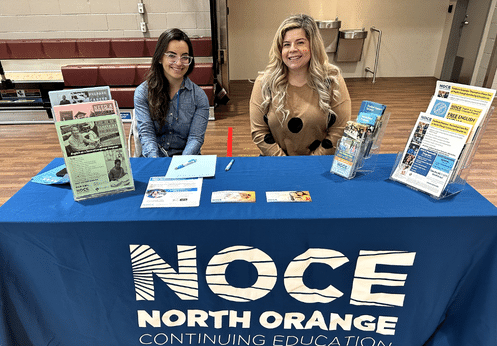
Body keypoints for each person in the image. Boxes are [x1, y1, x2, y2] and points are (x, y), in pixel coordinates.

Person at [250, 14, 352, 156]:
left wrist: (309, 164)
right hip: (277, 164)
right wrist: (286, 164)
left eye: (300, 42)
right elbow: (259, 133)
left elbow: (339, 130)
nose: (292, 49)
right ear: (280, 50)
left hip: (319, 165)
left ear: (312, 45)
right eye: (286, 44)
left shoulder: (333, 80)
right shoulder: (264, 82)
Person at [134, 28, 210, 157]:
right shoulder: (143, 92)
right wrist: (157, 163)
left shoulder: (199, 97)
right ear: (159, 58)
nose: (179, 62)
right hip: (153, 157)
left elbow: (195, 139)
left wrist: (179, 167)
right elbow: (147, 135)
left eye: (185, 57)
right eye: (171, 55)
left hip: (186, 160)